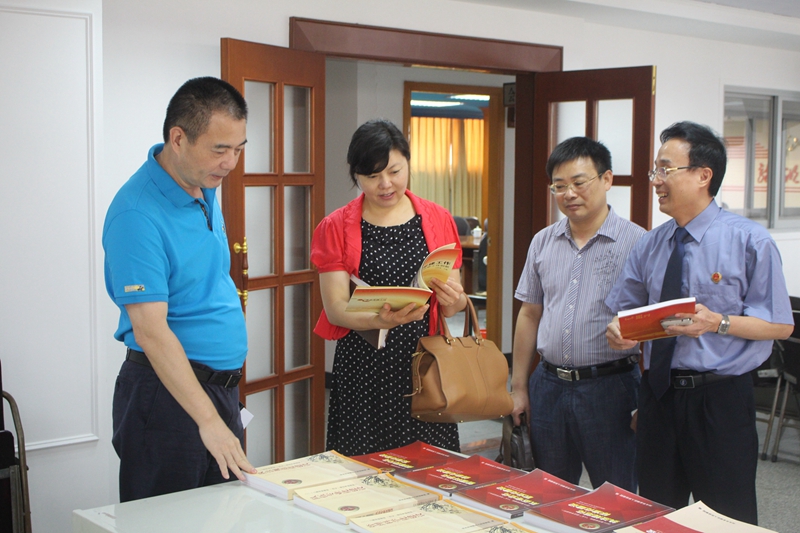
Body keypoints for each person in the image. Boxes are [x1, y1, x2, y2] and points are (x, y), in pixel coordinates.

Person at [605, 121, 793, 524]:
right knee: (656, 514)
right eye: (655, 170)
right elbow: (623, 312)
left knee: (726, 518)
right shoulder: (651, 243)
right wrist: (618, 331)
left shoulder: (750, 241)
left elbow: (779, 325)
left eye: (665, 169)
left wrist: (717, 323)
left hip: (719, 399)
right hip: (659, 395)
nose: (656, 180)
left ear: (703, 175)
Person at [103, 77, 256, 502]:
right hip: (167, 396)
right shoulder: (136, 214)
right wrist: (208, 420)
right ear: (178, 138)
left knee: (223, 517)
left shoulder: (203, 185)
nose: (231, 162)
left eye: (239, 148)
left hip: (219, 391)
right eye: (220, 149)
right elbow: (151, 331)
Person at [310, 119, 467, 457]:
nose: (385, 184)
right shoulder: (334, 227)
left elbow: (452, 303)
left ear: (408, 163)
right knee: (362, 468)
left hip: (424, 364)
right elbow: (336, 308)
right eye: (372, 176)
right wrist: (379, 321)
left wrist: (454, 300)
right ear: (356, 175)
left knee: (428, 468)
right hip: (363, 367)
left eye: (395, 171)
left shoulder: (439, 219)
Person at [510, 137, 645, 492]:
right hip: (549, 385)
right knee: (548, 493)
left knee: (615, 497)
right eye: (559, 186)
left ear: (607, 179)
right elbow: (529, 314)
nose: (569, 194)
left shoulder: (638, 243)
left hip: (611, 387)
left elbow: (656, 324)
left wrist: (648, 399)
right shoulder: (542, 241)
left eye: (579, 182)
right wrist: (519, 387)